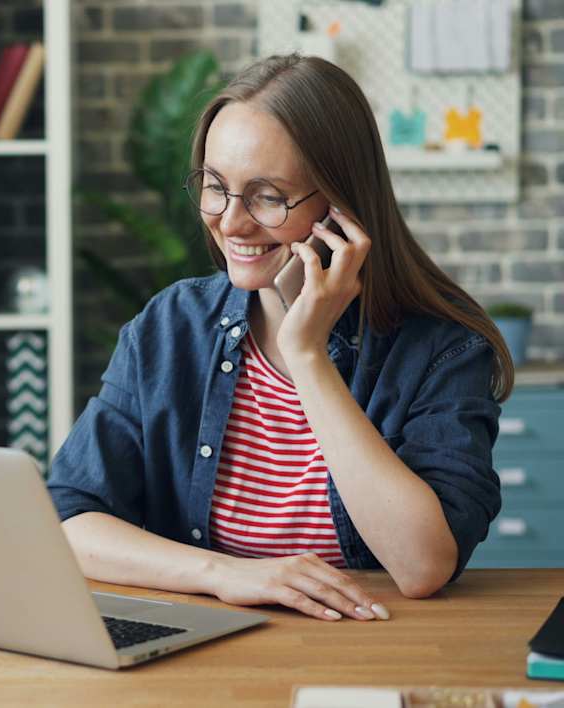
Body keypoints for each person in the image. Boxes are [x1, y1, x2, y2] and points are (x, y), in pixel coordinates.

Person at [47, 54, 511, 622]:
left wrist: (308, 354)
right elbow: (70, 519)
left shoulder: (441, 347)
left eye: (268, 196)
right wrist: (223, 573)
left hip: (373, 645)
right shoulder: (170, 326)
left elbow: (422, 566)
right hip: (212, 642)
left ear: (340, 206)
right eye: (215, 187)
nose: (231, 222)